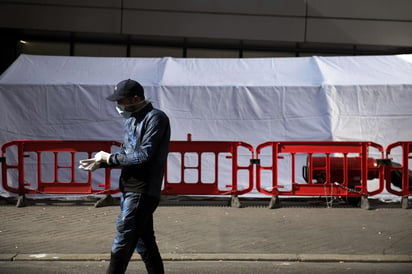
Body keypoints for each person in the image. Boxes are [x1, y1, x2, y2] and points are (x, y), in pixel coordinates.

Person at [79, 79, 171, 274]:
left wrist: (109, 158)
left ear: (135, 98)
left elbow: (144, 155)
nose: (118, 106)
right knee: (145, 244)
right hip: (130, 188)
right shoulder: (131, 120)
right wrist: (101, 162)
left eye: (121, 101)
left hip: (142, 189)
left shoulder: (156, 118)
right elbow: (127, 153)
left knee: (123, 239)